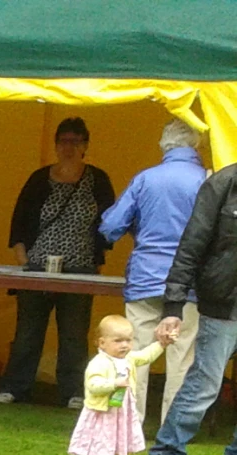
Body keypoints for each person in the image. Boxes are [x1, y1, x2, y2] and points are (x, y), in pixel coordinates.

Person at [0, 117, 115, 409]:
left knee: (74, 334)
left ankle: (73, 390)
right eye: (64, 141)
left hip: (80, 268)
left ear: (85, 146)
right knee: (27, 331)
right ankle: (15, 387)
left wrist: (97, 261)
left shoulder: (98, 180)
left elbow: (110, 223)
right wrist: (24, 262)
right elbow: (19, 222)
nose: (69, 147)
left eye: (76, 142)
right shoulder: (39, 179)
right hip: (37, 266)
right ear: (56, 145)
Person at [101, 120, 209, 427]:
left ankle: (127, 428)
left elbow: (110, 228)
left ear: (164, 146)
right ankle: (170, 435)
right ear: (196, 145)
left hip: (145, 278)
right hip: (189, 283)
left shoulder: (145, 179)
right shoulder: (207, 180)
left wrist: (139, 226)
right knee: (182, 361)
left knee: (131, 358)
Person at [143, 151, 237, 455]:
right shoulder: (223, 184)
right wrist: (173, 306)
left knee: (203, 383)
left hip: (223, 297)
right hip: (223, 301)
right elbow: (191, 246)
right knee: (204, 384)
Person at [68, 314, 175, 455]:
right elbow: (93, 385)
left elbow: (145, 356)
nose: (125, 345)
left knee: (123, 435)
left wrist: (161, 344)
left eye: (128, 340)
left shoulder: (128, 358)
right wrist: (113, 383)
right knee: (95, 439)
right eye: (118, 341)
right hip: (101, 411)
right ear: (102, 343)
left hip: (122, 409)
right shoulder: (99, 363)